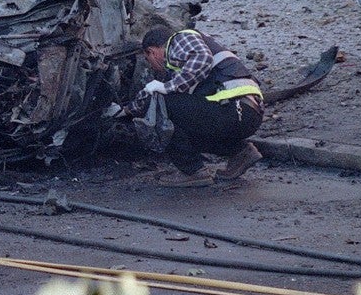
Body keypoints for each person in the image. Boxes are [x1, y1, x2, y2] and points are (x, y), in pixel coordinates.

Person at [107, 26, 264, 187]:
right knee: (181, 123)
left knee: (161, 109)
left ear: (151, 52)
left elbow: (202, 59)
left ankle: (192, 171)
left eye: (148, 60)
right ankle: (241, 152)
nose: (152, 67)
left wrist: (166, 88)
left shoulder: (180, 39)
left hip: (232, 109)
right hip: (247, 114)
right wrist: (124, 111)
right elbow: (153, 92)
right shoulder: (180, 64)